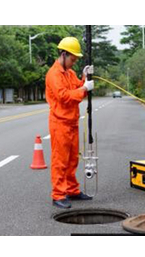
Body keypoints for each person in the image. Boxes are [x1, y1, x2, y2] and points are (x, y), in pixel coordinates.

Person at [46, 37, 94, 209]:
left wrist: (84, 78)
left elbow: (78, 90)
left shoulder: (70, 73)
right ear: (63, 54)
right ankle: (58, 194)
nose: (73, 62)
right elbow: (65, 97)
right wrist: (84, 89)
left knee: (73, 159)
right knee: (60, 160)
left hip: (72, 122)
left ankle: (72, 190)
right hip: (60, 123)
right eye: (72, 59)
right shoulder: (54, 74)